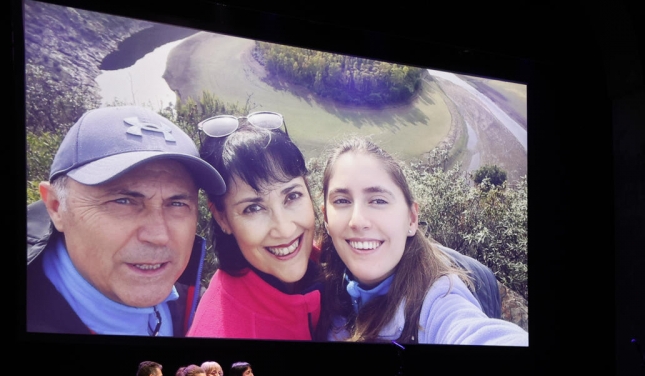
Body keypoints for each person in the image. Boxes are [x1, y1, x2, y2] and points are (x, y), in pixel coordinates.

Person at [27, 105, 225, 335]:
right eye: (123, 201)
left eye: (177, 203)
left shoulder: (198, 304)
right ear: (56, 206)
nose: (159, 236)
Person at [318, 137, 527, 345]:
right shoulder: (319, 285)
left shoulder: (438, 300)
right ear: (326, 217)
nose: (357, 221)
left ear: (411, 219)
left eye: (379, 200)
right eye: (342, 201)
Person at [186, 112, 324, 340]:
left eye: (292, 196)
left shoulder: (334, 262)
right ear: (222, 217)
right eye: (253, 208)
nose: (285, 229)